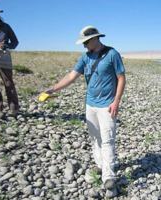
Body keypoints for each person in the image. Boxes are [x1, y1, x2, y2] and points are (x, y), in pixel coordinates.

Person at [41, 26, 126, 194]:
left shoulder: (112, 54)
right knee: (95, 139)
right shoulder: (85, 57)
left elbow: (121, 78)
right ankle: (101, 166)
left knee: (107, 140)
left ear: (96, 39)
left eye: (86, 42)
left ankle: (109, 177)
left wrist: (116, 101)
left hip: (107, 106)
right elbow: (71, 77)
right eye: (83, 42)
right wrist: (53, 89)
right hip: (90, 105)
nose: (84, 45)